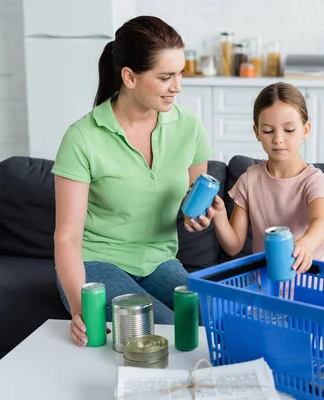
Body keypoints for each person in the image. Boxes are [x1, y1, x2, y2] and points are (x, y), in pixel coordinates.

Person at [52, 16, 215, 347]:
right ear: (129, 77)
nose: (177, 87)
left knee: (212, 320)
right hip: (95, 263)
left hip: (158, 260)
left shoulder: (189, 126)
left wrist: (196, 214)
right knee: (169, 333)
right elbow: (67, 237)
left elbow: (191, 199)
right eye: (165, 77)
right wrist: (79, 306)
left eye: (180, 74)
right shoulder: (82, 137)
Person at [210, 82, 324, 273]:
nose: (278, 139)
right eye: (268, 130)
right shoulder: (248, 180)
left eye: (289, 130)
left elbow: (320, 222)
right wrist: (219, 215)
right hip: (268, 279)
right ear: (257, 132)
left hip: (312, 275)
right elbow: (233, 246)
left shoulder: (314, 180)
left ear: (306, 130)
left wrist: (304, 245)